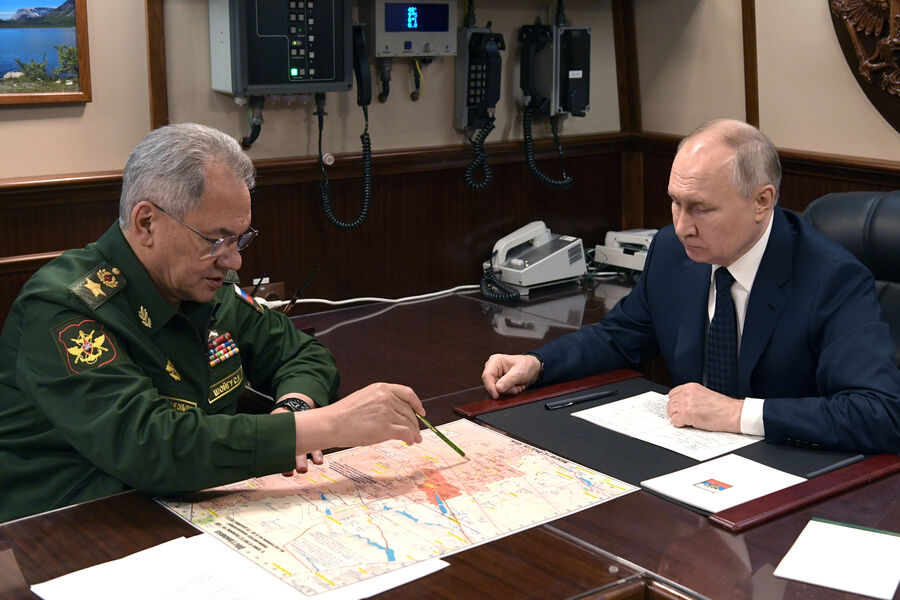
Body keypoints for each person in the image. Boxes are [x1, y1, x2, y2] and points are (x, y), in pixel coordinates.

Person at [0, 123, 424, 523]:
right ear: (147, 223)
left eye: (239, 239)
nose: (234, 259)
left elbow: (301, 353)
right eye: (216, 240)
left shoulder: (204, 285)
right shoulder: (66, 308)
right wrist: (322, 426)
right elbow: (149, 446)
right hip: (78, 521)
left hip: (192, 501)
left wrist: (293, 409)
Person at [482, 119, 900, 454]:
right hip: (690, 460)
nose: (682, 226)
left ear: (762, 202)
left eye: (700, 208)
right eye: (675, 202)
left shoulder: (831, 279)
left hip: (789, 469)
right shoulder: (671, 250)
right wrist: (538, 363)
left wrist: (736, 414)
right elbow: (619, 337)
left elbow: (879, 413)